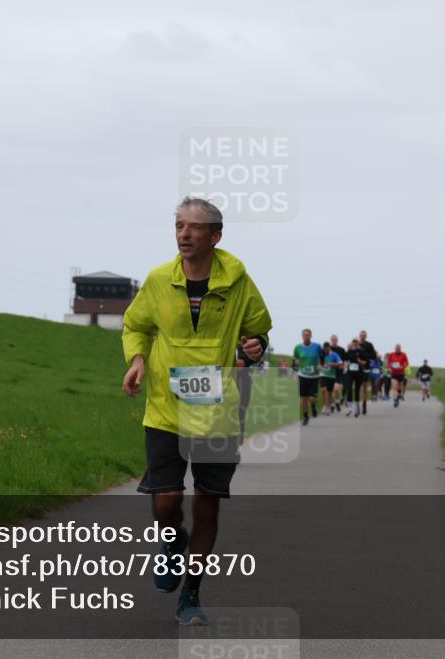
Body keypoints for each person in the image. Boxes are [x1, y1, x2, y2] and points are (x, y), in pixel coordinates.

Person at [122, 197, 271, 626]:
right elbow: (136, 325)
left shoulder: (239, 281)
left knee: (208, 503)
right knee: (166, 503)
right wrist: (136, 360)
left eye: (195, 227)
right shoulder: (156, 280)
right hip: (166, 409)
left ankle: (191, 594)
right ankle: (172, 543)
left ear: (216, 235)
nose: (184, 234)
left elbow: (257, 329)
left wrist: (254, 346)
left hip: (218, 410)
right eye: (179, 225)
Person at [293, 329, 323, 425]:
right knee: (303, 397)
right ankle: (305, 416)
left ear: (311, 336)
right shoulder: (297, 348)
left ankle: (313, 406)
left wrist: (320, 365)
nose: (306, 337)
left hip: (314, 376)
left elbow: (322, 357)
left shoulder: (317, 346)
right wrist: (295, 372)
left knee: (312, 398)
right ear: (302, 336)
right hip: (302, 375)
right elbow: (295, 361)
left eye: (308, 335)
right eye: (304, 335)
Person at [357, 330, 378, 414]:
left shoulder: (369, 345)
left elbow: (374, 356)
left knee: (364, 387)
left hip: (366, 367)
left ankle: (364, 403)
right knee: (358, 387)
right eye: (361, 335)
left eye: (364, 335)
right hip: (356, 369)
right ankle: (357, 403)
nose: (362, 336)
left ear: (366, 336)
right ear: (359, 336)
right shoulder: (356, 344)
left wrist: (365, 356)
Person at [343, 339, 365, 417]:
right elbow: (346, 360)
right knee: (349, 388)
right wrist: (345, 368)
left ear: (358, 343)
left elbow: (365, 362)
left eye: (356, 342)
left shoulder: (361, 351)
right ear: (352, 343)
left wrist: (361, 362)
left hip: (359, 373)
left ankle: (357, 407)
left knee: (356, 390)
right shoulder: (349, 351)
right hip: (350, 373)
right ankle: (349, 408)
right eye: (353, 342)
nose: (355, 344)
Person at [319, 341, 343, 415]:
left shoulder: (334, 354)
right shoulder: (322, 354)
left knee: (329, 393)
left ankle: (328, 407)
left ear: (329, 348)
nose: (326, 351)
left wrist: (332, 364)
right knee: (323, 390)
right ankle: (325, 406)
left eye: (327, 349)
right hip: (323, 374)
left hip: (331, 376)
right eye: (324, 349)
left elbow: (341, 363)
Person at [385, 344, 410, 408]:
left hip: (401, 373)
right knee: (394, 388)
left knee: (399, 389)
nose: (397, 350)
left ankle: (399, 395)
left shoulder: (403, 354)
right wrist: (388, 368)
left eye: (398, 349)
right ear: (394, 349)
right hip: (394, 374)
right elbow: (388, 362)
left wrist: (402, 366)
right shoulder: (391, 354)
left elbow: (407, 363)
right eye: (396, 349)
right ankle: (395, 400)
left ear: (400, 349)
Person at [329, 334, 347, 411]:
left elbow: (345, 360)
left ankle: (338, 401)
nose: (334, 341)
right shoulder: (328, 349)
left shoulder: (341, 349)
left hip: (339, 371)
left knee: (337, 388)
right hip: (330, 371)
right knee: (332, 389)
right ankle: (333, 404)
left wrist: (344, 367)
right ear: (331, 340)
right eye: (332, 340)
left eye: (335, 340)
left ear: (337, 340)